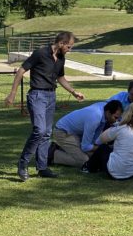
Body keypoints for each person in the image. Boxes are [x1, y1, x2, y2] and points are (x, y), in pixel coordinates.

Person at [5, 31, 86, 181]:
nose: (70, 49)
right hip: (37, 96)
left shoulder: (61, 58)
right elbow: (21, 70)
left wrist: (74, 92)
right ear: (61, 43)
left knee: (47, 133)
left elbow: (60, 77)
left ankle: (42, 168)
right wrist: (12, 93)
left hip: (51, 96)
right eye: (69, 46)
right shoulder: (40, 53)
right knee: (39, 130)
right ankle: (23, 163)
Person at [50, 100, 123, 169]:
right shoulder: (95, 118)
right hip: (63, 133)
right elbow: (85, 147)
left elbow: (94, 140)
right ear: (108, 112)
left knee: (91, 156)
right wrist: (102, 148)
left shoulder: (104, 107)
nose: (116, 121)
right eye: (115, 118)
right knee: (85, 161)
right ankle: (52, 154)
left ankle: (61, 147)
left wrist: (97, 147)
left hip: (74, 133)